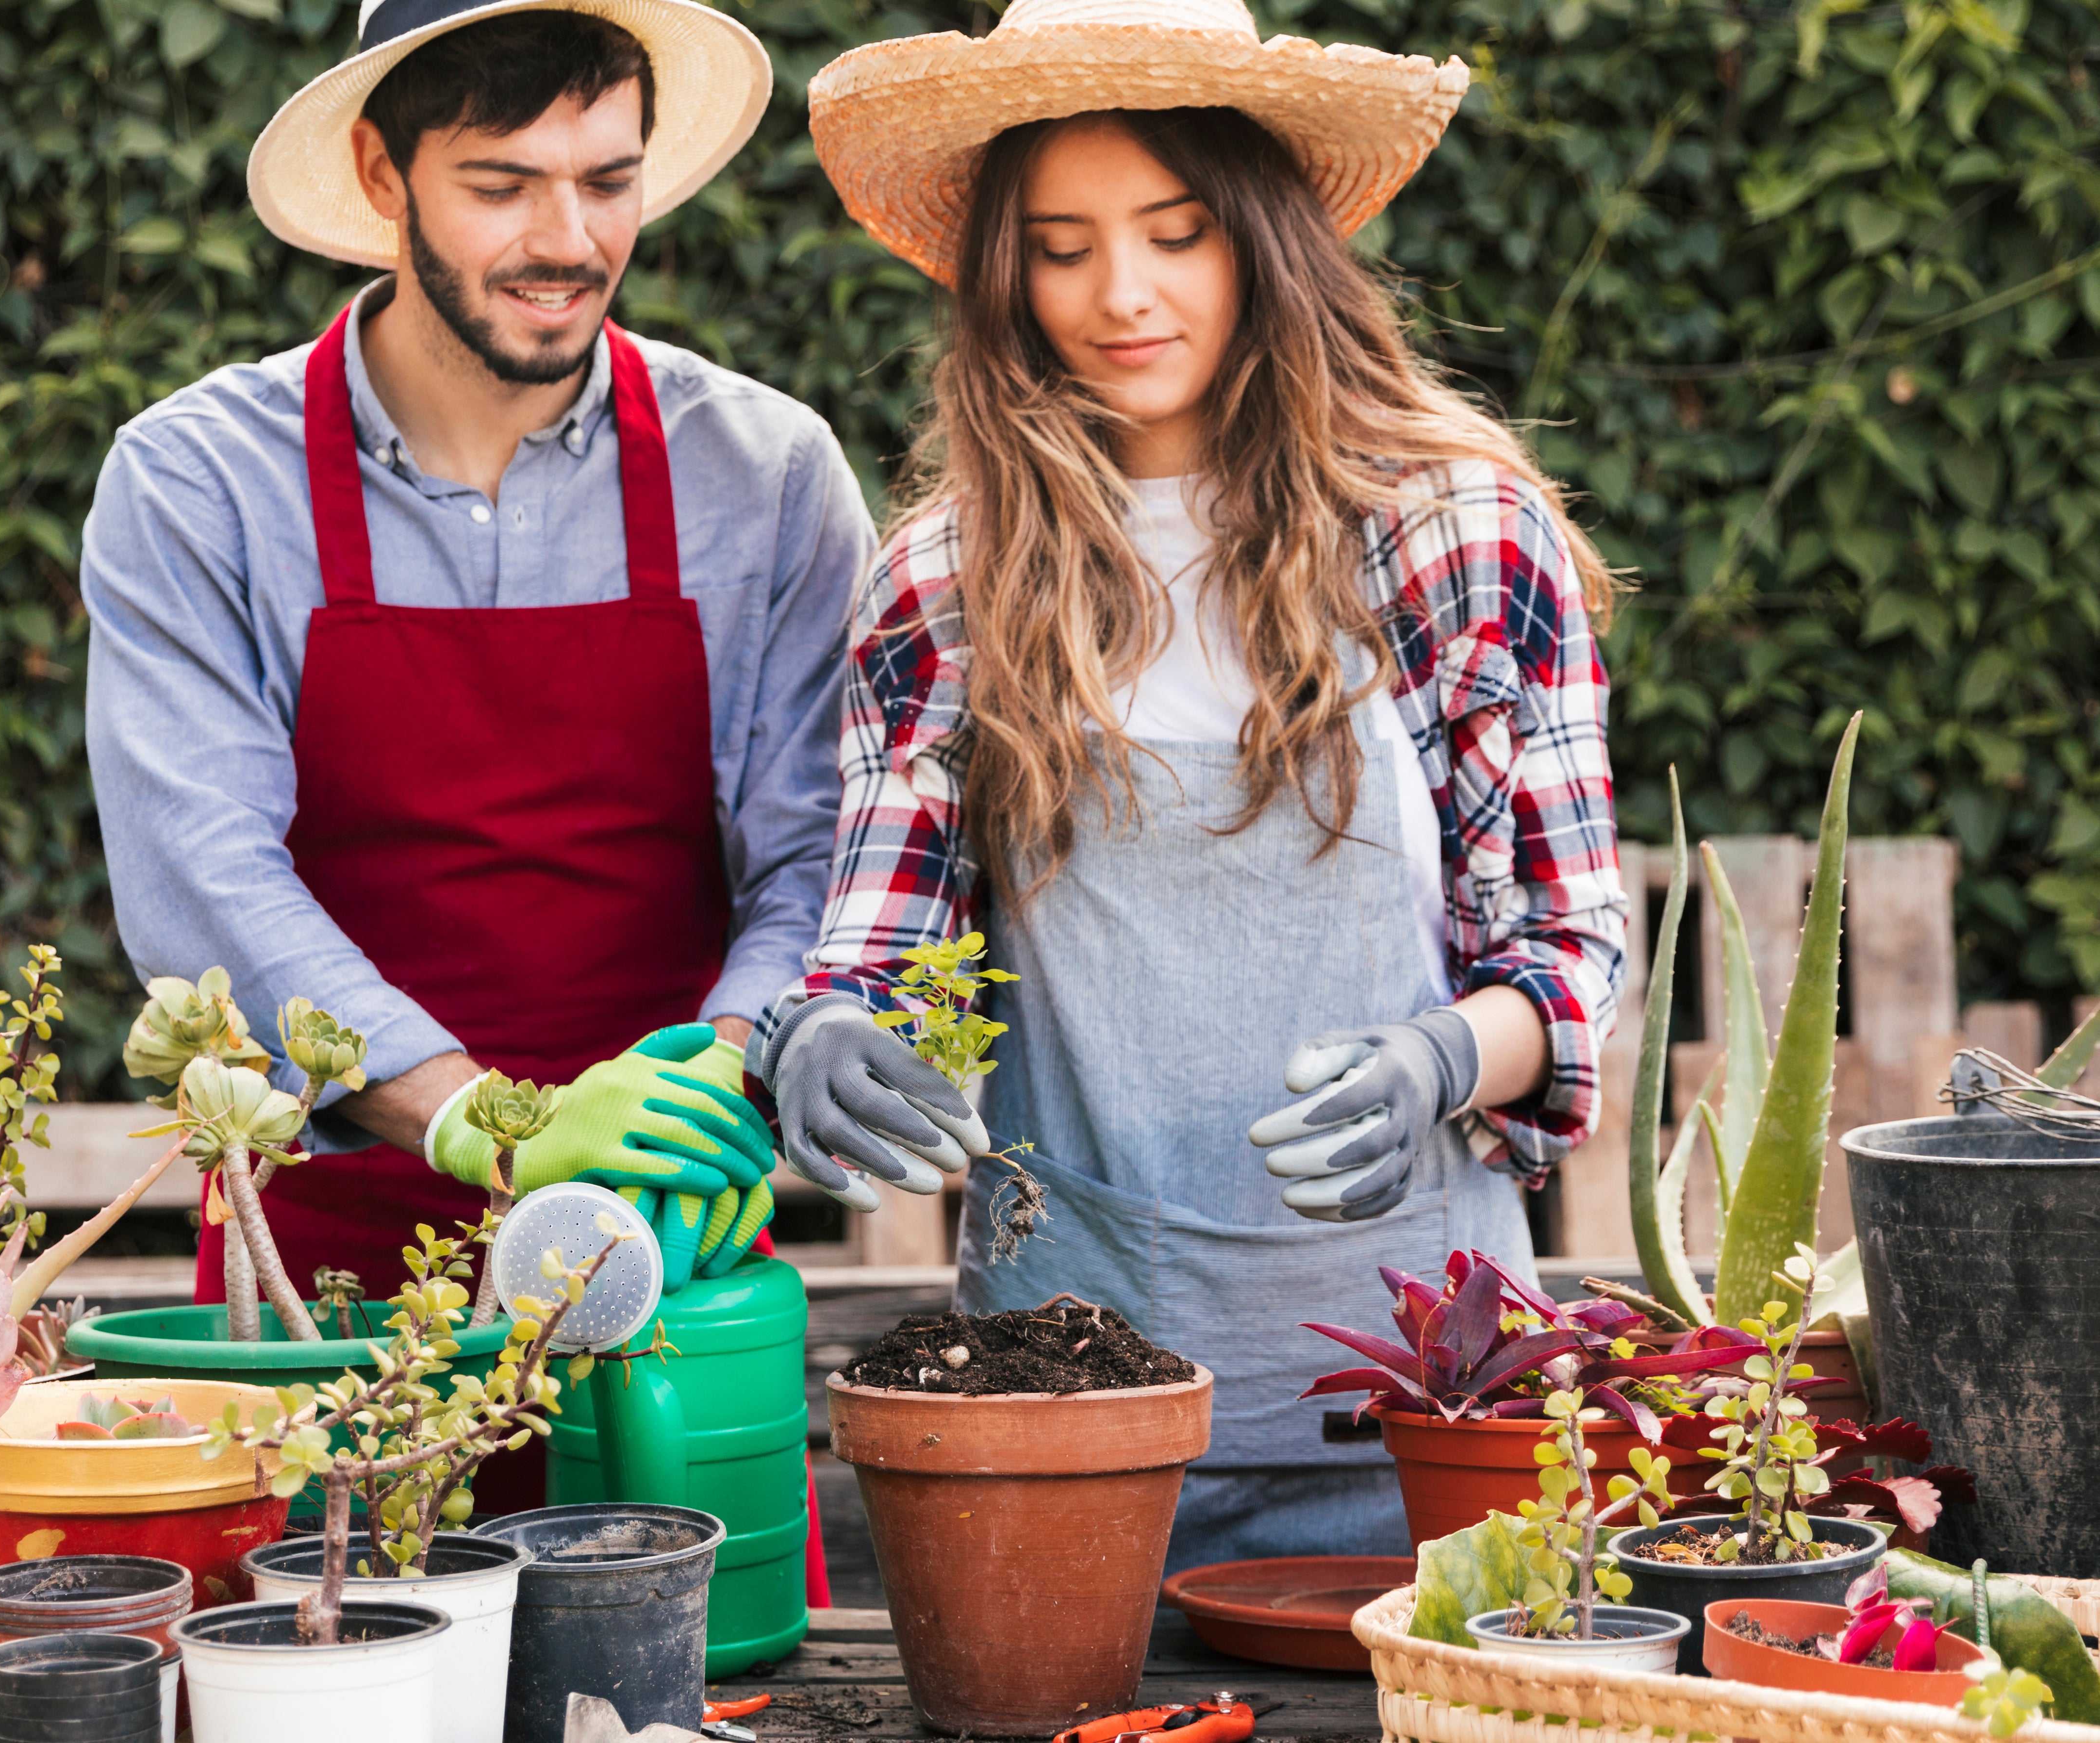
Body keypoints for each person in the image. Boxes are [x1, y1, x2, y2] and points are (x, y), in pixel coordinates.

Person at [767, 0, 1632, 1562]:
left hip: (1426, 1413)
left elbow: (1569, 964)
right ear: (1004, 276)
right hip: (1059, 1409)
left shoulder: (1455, 536)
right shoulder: (951, 579)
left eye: (1174, 232)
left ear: (1262, 238)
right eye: (1062, 244)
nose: (1122, 295)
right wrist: (826, 1031)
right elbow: (883, 952)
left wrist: (1445, 1058)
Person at [81, 0, 897, 1336]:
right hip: (321, 1286)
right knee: (335, 1561)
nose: (567, 242)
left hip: (669, 1260)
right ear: (380, 173)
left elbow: (819, 847)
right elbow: (201, 873)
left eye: (608, 182)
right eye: (502, 186)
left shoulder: (765, 475)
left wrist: (711, 1094)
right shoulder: (201, 482)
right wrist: (483, 1120)